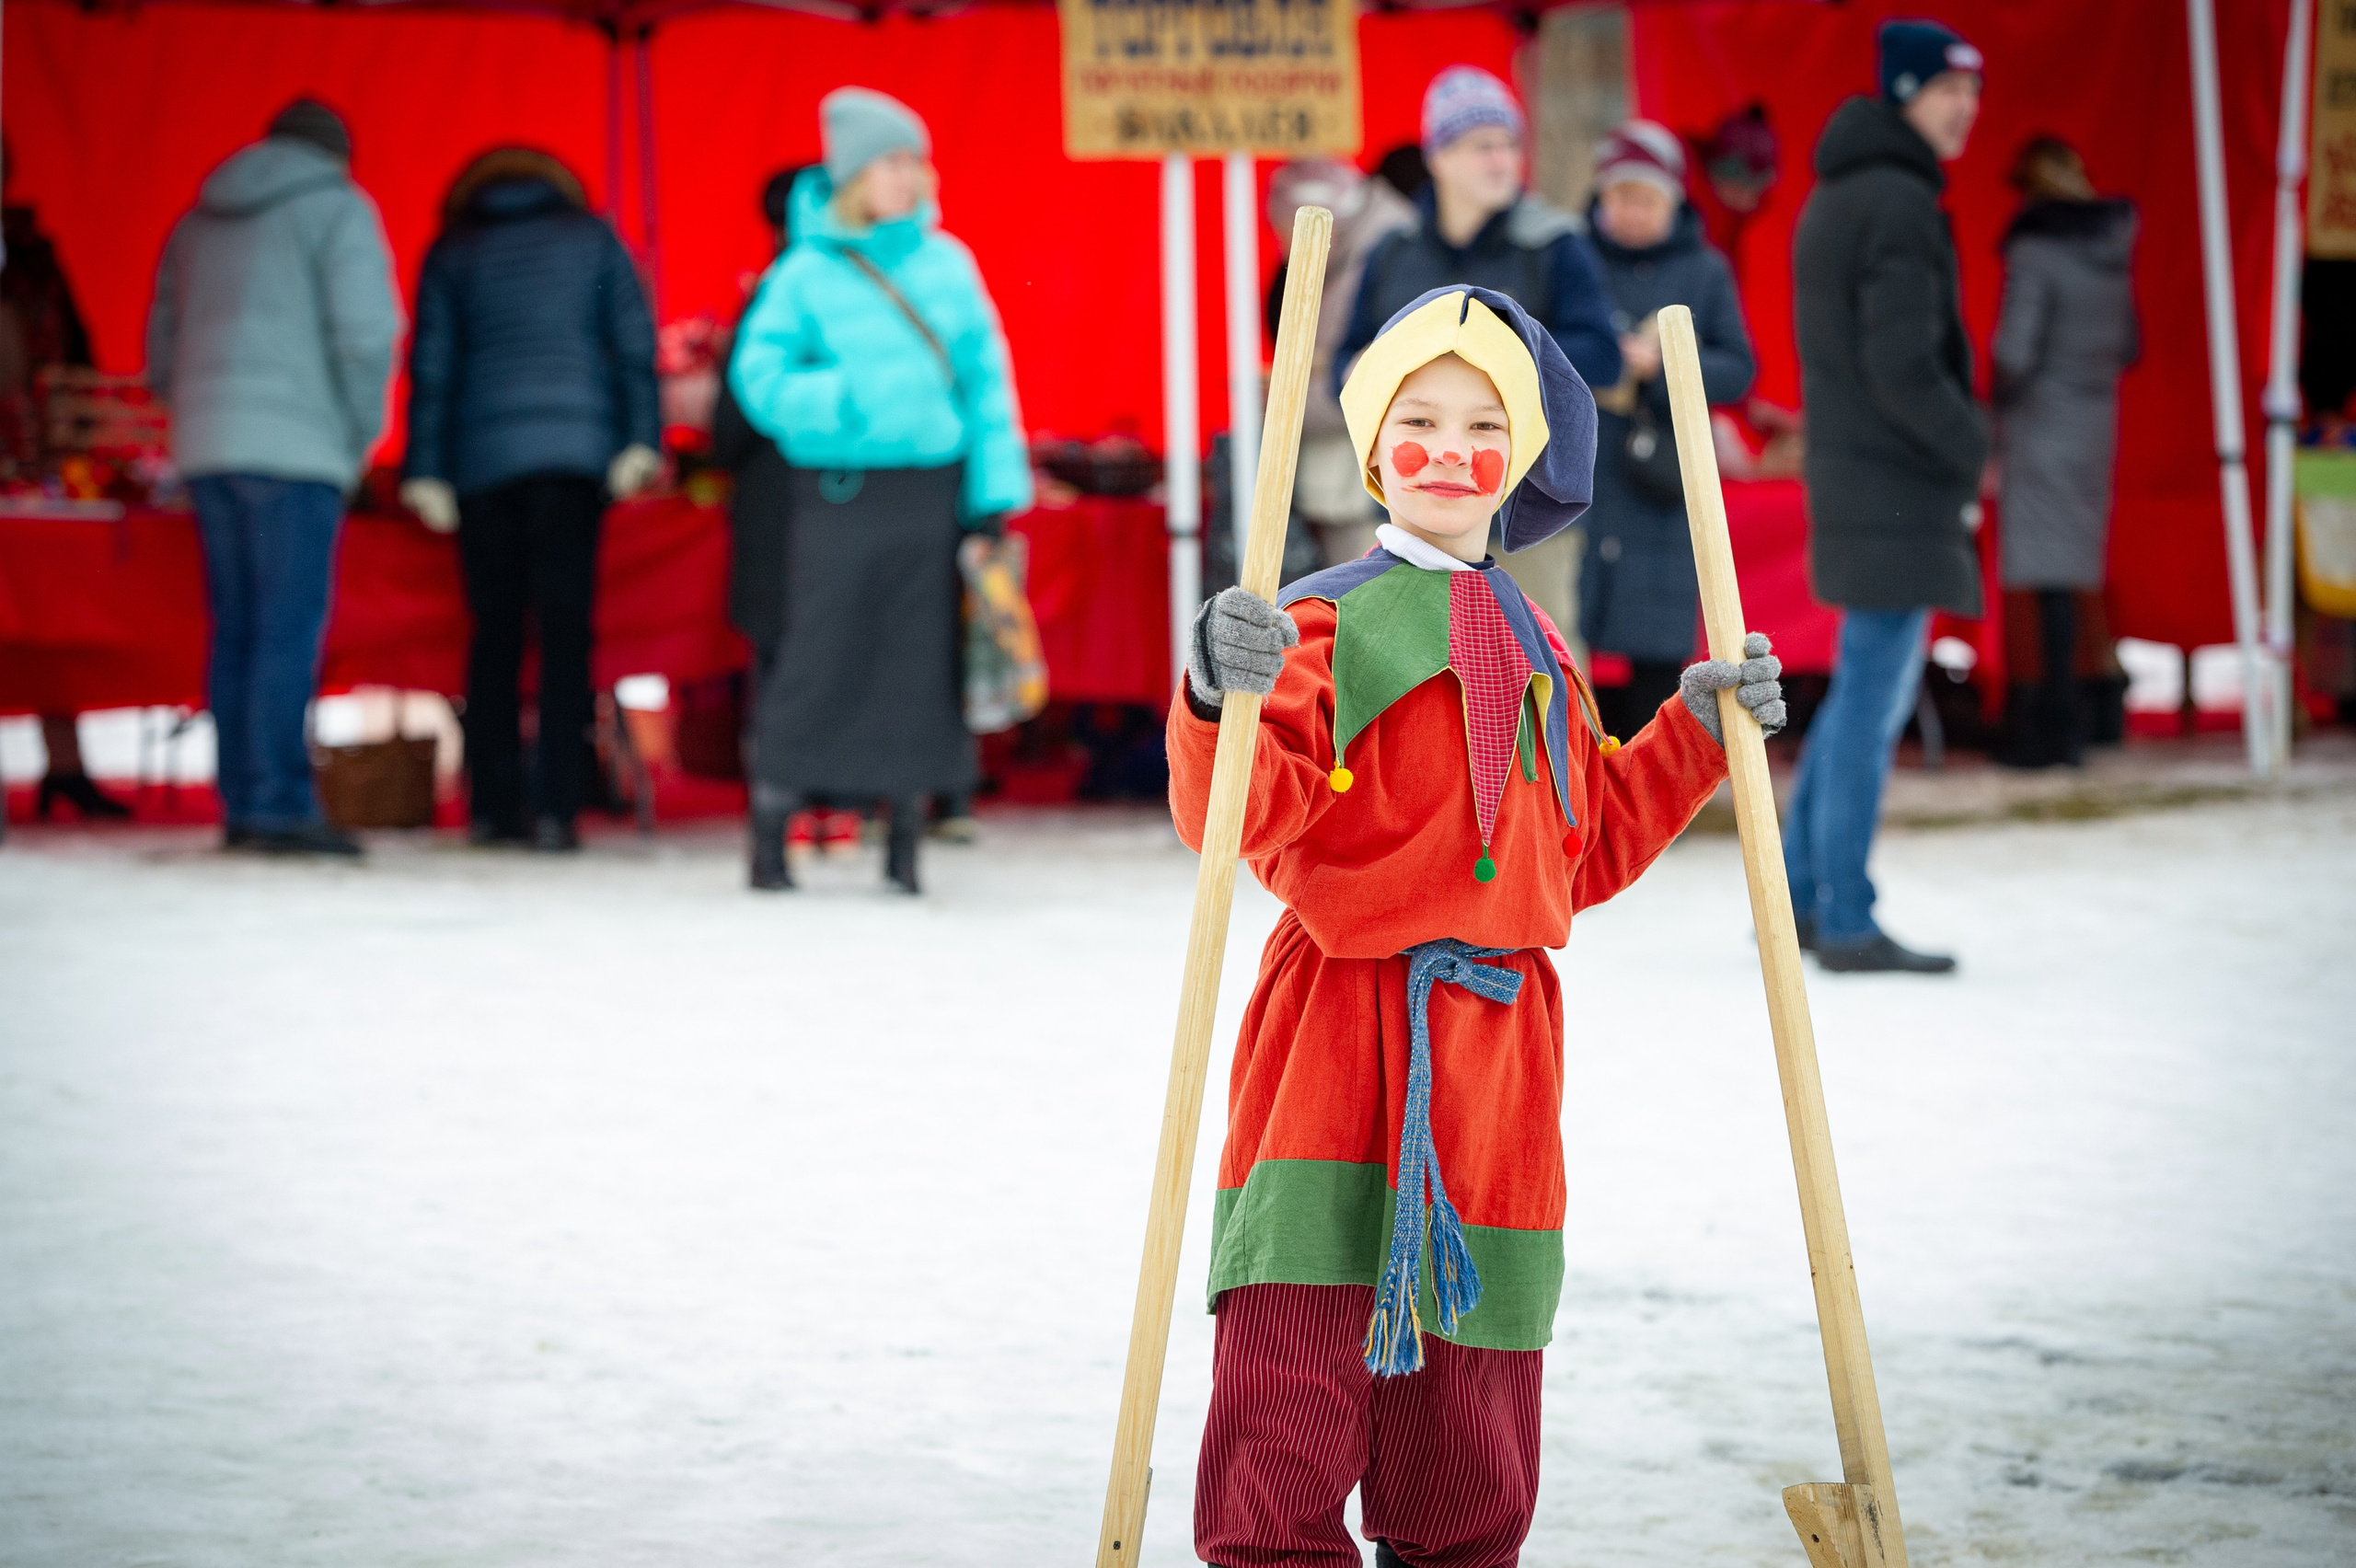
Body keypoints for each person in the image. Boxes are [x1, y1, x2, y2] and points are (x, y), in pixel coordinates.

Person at [1172, 283, 1783, 1568]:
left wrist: (1695, 731)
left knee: (1473, 1395)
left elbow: (1580, 849)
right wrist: (1217, 695)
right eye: (1419, 422)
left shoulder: (1540, 642)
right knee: (1296, 1356)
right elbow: (1240, 814)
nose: (1449, 452)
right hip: (1336, 1033)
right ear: (1370, 446)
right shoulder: (1319, 623)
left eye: (1483, 427)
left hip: (1496, 1053)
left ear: (1523, 457)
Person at [730, 87, 1031, 894]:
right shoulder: (804, 272)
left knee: (916, 669)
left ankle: (904, 844)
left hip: (930, 497)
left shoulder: (948, 262)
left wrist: (994, 496)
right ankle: (770, 835)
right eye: (890, 162)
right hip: (838, 494)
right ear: (854, 176)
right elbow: (757, 377)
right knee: (819, 659)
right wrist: (840, 404)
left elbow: (986, 385)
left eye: (914, 161)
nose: (908, 176)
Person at [146, 99, 401, 858]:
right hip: (297, 447)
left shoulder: (196, 221)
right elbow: (368, 336)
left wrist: (195, 412)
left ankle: (245, 800)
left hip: (207, 446)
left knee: (237, 629)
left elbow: (161, 344)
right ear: (338, 155)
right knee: (286, 630)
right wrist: (359, 436)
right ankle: (280, 805)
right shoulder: (339, 209)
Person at [1786, 19, 1987, 974]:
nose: (1966, 109)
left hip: (1859, 479)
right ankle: (1846, 916)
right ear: (1905, 92)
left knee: (1856, 698)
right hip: (1896, 486)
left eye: (1973, 92)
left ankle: (1799, 897)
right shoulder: (1898, 202)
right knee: (1869, 705)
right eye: (1949, 89)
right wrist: (1973, 444)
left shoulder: (1839, 193)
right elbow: (1903, 364)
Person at [399, 148, 662, 853]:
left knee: (495, 638)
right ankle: (558, 806)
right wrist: (640, 440)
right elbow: (634, 345)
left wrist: (426, 470)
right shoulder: (594, 238)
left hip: (483, 466)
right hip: (575, 459)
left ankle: (492, 805)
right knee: (566, 636)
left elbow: (431, 368)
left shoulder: (454, 251)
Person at [1576, 119, 1757, 742]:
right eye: (1621, 196)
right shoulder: (1573, 258)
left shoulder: (1705, 270)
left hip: (1664, 480)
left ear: (1674, 201)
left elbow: (1739, 369)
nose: (1632, 212)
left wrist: (1667, 364)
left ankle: (1649, 768)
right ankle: (1574, 768)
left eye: (1646, 199)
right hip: (1582, 468)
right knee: (1566, 629)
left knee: (1657, 637)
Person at [1992, 136, 2139, 769]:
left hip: (2041, 424)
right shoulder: (2113, 249)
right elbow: (2129, 343)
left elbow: (2013, 352)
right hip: (2096, 425)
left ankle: (2051, 726)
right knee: (2075, 572)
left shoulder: (2034, 252)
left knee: (2043, 577)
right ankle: (2086, 710)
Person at [1338, 68, 1621, 393]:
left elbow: (1604, 358)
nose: (1503, 162)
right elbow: (1344, 362)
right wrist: (1359, 368)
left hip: (1524, 427)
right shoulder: (1393, 248)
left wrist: (1491, 345)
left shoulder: (1554, 242)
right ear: (1439, 158)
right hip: (1416, 426)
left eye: (1511, 145)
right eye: (1484, 147)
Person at [2, 179, 133, 821]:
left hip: (34, 453)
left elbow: (75, 356)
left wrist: (76, 436)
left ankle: (65, 761)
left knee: (46, 609)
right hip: (29, 444)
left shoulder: (32, 258)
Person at [1262, 157, 1414, 566]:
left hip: (1366, 478)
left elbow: (1380, 377)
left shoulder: (1391, 254)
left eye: (1286, 234)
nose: (1285, 251)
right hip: (1350, 471)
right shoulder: (1368, 243)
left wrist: (1282, 406)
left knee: (1364, 589)